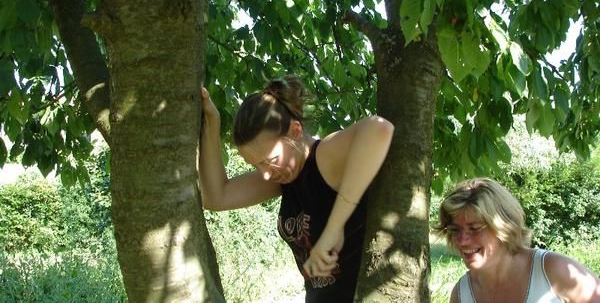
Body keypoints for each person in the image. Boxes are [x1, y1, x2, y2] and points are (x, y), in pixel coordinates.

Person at [197, 76, 394, 302]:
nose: (266, 174)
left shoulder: (324, 157)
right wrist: (212, 123)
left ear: (296, 131)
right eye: (256, 165)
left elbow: (379, 129)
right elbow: (216, 197)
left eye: (270, 160)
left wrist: (332, 231)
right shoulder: (285, 177)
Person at [435, 177, 600, 303]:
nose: (463, 241)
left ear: (504, 227)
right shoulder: (462, 293)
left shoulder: (555, 271)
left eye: (475, 228)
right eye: (455, 230)